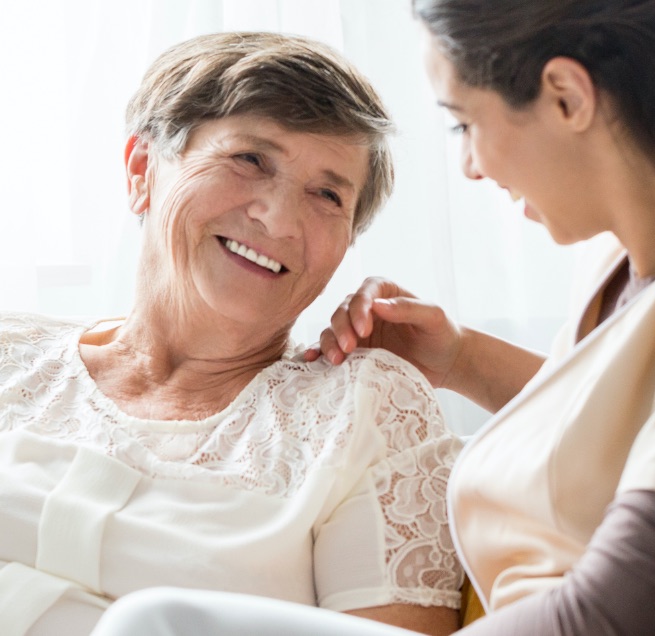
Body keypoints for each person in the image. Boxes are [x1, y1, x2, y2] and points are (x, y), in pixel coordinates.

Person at [90, 1, 655, 634]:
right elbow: (629, 443)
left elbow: (630, 610)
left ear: (565, 96)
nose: (469, 165)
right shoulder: (620, 271)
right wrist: (459, 359)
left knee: (156, 622)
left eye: (464, 122)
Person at [0, 31, 464, 636]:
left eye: (327, 194)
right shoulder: (11, 355)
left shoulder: (367, 411)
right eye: (249, 160)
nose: (277, 217)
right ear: (143, 171)